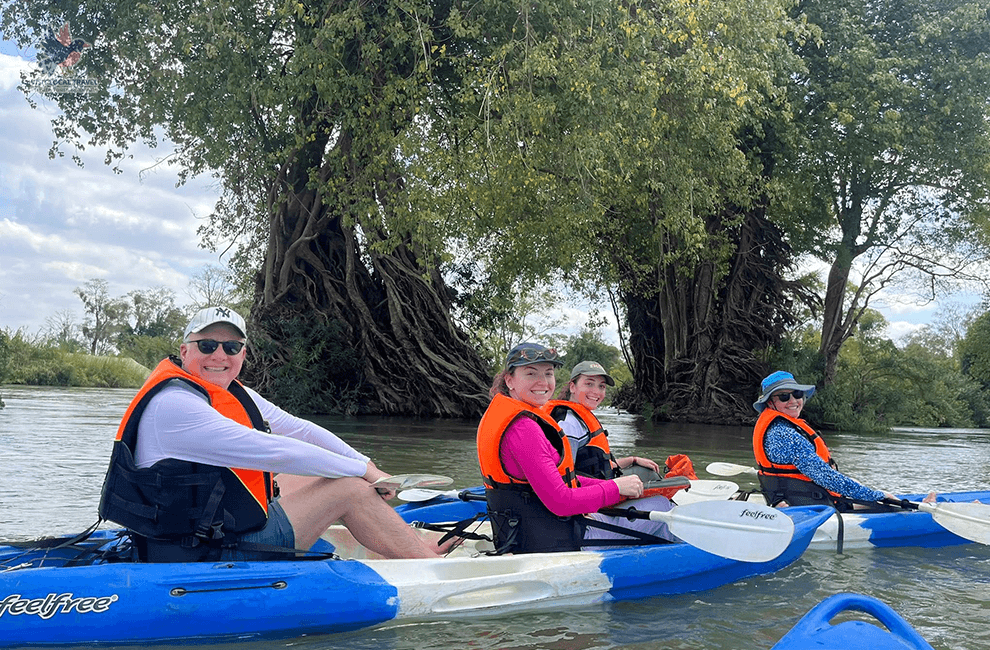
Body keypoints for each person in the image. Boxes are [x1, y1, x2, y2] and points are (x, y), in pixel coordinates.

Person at [99, 306, 444, 562]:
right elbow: (276, 450)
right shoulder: (175, 405)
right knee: (349, 488)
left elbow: (299, 429)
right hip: (202, 548)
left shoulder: (231, 391)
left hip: (215, 523)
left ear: (243, 353)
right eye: (207, 345)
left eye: (231, 347)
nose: (219, 355)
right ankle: (428, 561)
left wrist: (369, 466)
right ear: (185, 350)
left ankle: (406, 543)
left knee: (329, 475)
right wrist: (361, 475)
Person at [476, 342, 676, 554]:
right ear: (509, 380)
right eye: (531, 373)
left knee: (650, 505)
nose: (543, 382)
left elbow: (563, 478)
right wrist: (614, 489)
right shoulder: (524, 429)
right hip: (557, 539)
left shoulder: (509, 417)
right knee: (663, 507)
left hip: (525, 532)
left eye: (548, 373)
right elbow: (560, 502)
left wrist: (615, 487)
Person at [752, 370, 935, 511]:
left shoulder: (778, 427)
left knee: (861, 488)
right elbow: (825, 477)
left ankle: (906, 503)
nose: (793, 401)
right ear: (770, 402)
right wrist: (876, 495)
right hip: (808, 504)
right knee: (884, 499)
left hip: (791, 496)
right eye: (784, 396)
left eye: (797, 394)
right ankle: (919, 510)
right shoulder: (785, 435)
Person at [546, 360, 695, 487]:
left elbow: (595, 466)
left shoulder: (579, 417)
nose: (596, 392)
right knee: (652, 477)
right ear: (572, 387)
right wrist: (615, 487)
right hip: (594, 493)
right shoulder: (569, 424)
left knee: (647, 471)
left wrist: (632, 460)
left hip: (600, 484)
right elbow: (565, 478)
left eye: (601, 386)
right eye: (589, 384)